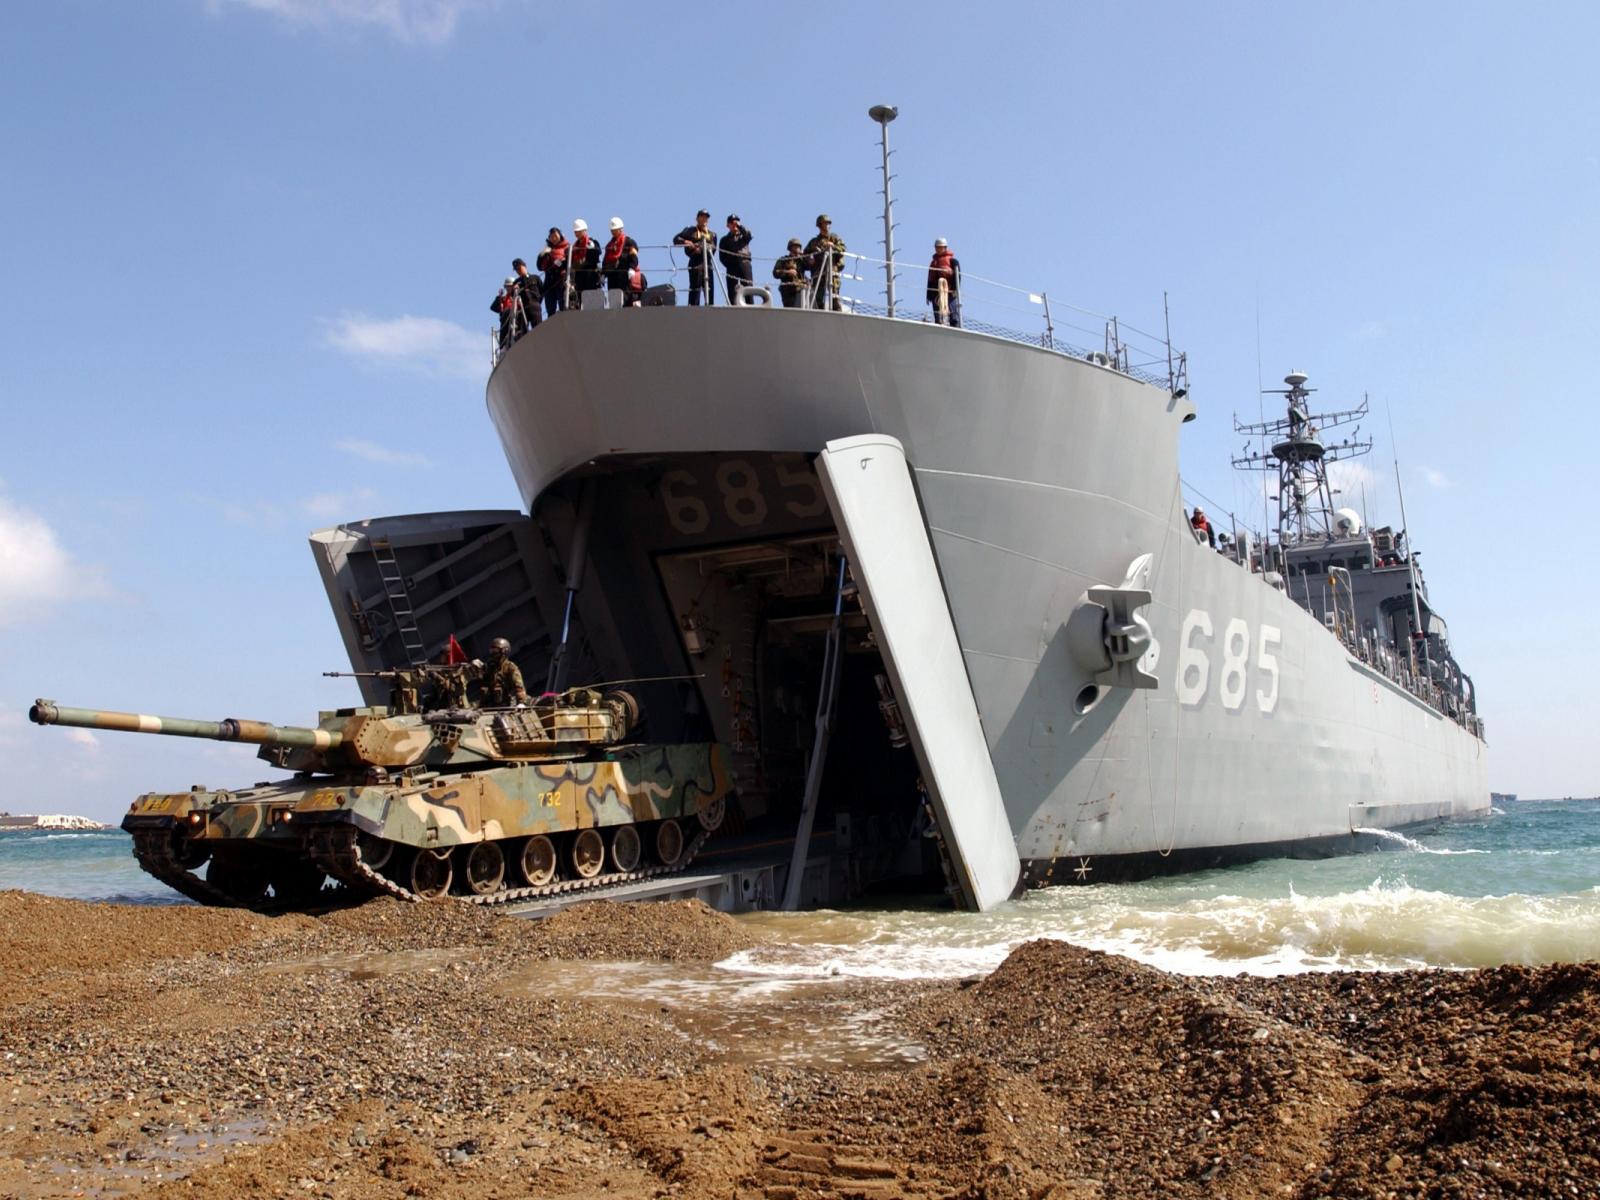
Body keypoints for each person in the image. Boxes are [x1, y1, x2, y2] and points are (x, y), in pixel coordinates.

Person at [673, 209, 718, 305]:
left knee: (709, 291)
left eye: (706, 217)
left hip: (707, 264)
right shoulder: (690, 230)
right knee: (695, 290)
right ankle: (693, 309)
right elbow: (676, 239)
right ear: (697, 219)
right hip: (695, 262)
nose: (704, 219)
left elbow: (713, 250)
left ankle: (710, 309)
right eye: (702, 217)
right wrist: (686, 242)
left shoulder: (712, 235)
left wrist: (699, 248)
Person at [804, 214, 846, 311]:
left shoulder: (834, 238)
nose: (827, 225)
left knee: (835, 297)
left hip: (832, 271)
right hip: (818, 272)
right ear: (819, 225)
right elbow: (804, 255)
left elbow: (842, 248)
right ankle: (820, 315)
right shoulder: (814, 242)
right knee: (818, 298)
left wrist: (833, 246)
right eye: (825, 223)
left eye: (828, 223)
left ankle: (837, 315)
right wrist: (809, 259)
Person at [478, 637, 529, 707]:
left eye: (495, 650)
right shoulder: (489, 667)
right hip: (489, 706)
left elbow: (519, 687)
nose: (493, 653)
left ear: (504, 651)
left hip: (507, 705)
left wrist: (522, 702)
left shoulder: (510, 667)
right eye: (492, 650)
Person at [601, 217, 640, 306]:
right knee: (613, 299)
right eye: (612, 230)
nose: (613, 232)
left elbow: (633, 256)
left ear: (620, 229)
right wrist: (603, 273)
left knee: (625, 297)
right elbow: (605, 260)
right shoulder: (609, 246)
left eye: (615, 230)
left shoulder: (629, 242)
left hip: (624, 275)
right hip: (612, 277)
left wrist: (632, 268)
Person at [926, 237, 961, 327]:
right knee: (937, 310)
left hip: (949, 290)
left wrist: (955, 289)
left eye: (940, 247)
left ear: (945, 248)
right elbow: (930, 279)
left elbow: (958, 276)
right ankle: (938, 322)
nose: (937, 249)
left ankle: (955, 325)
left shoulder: (953, 261)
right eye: (936, 247)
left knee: (952, 309)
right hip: (936, 291)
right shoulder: (933, 263)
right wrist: (928, 294)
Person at [719, 214, 753, 303]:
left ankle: (750, 307)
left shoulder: (744, 236)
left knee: (748, 288)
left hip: (744, 263)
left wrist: (740, 226)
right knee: (732, 291)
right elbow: (722, 257)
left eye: (736, 222)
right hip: (732, 266)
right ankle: (733, 307)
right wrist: (730, 264)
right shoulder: (724, 240)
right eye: (732, 222)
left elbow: (749, 235)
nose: (734, 224)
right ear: (728, 225)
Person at [568, 219, 602, 308]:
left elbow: (597, 254)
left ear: (585, 231)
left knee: (591, 297)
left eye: (579, 231)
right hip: (579, 275)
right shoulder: (574, 247)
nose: (577, 233)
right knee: (580, 297)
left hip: (590, 274)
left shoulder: (592, 242)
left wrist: (592, 248)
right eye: (576, 232)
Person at [536, 228, 569, 317]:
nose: (554, 238)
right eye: (551, 237)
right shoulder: (548, 250)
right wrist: (542, 255)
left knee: (563, 303)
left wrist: (560, 263)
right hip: (549, 280)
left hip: (561, 278)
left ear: (560, 236)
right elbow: (539, 267)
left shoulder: (567, 247)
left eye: (555, 236)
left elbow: (570, 262)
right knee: (550, 306)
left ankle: (564, 317)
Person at [773, 238, 807, 308]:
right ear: (790, 248)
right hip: (788, 291)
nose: (797, 248)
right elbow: (775, 273)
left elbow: (810, 266)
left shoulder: (801, 261)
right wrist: (788, 272)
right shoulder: (784, 260)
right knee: (791, 309)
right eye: (795, 246)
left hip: (801, 290)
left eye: (798, 247)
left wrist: (805, 256)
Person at [511, 258, 543, 331]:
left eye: (519, 268)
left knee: (538, 328)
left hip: (534, 306)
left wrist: (537, 302)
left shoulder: (535, 278)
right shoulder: (516, 282)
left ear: (524, 266)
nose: (518, 271)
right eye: (516, 270)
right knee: (522, 331)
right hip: (523, 308)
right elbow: (513, 296)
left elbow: (542, 291)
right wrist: (514, 290)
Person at [491, 276, 519, 350]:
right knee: (503, 342)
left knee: (515, 336)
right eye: (507, 287)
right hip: (504, 322)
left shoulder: (518, 295)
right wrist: (499, 297)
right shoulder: (503, 299)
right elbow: (493, 307)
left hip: (515, 319)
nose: (508, 288)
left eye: (510, 286)